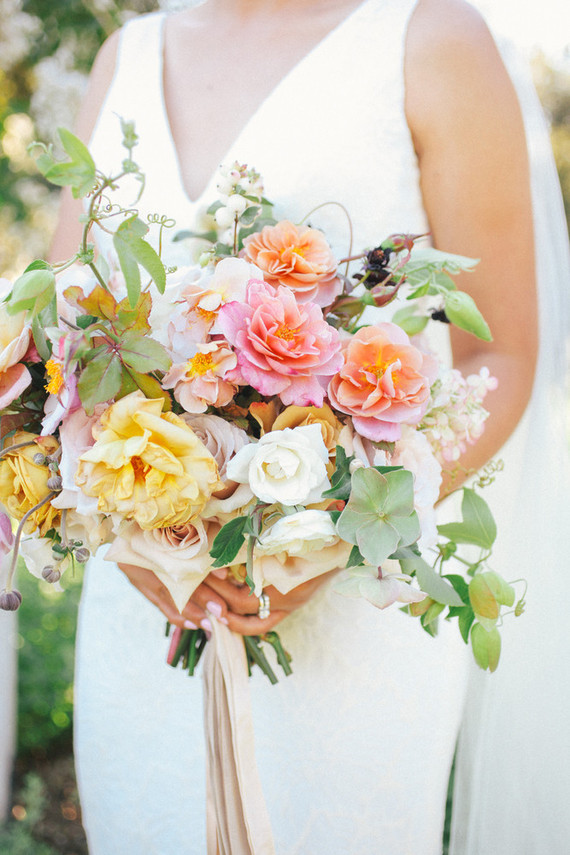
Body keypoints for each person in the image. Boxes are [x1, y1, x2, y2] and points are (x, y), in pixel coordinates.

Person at [48, 0, 570, 852]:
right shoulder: (127, 55)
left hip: (350, 621)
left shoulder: (432, 39)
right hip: (142, 605)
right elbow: (63, 344)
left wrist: (329, 533)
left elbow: (501, 352)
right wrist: (134, 537)